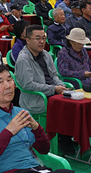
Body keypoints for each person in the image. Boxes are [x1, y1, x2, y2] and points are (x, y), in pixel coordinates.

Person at [14, 24, 77, 153]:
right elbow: (28, 85)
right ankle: (62, 140)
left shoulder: (46, 54)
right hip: (37, 97)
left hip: (52, 93)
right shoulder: (23, 59)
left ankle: (66, 136)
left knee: (75, 102)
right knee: (62, 106)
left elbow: (54, 76)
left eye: (43, 38)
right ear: (28, 40)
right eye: (37, 38)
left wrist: (62, 86)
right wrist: (53, 89)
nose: (42, 42)